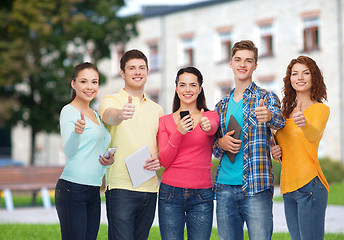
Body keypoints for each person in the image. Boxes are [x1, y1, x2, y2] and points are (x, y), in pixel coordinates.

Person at [212, 40, 285, 240]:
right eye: (238, 60)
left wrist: (269, 116)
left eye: (248, 60)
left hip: (256, 186)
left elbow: (281, 122)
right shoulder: (221, 105)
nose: (242, 64)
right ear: (231, 63)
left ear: (255, 65)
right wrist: (220, 143)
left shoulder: (267, 98)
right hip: (225, 187)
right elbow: (214, 149)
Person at [99, 49, 164, 240]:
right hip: (121, 189)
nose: (137, 72)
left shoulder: (157, 109)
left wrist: (159, 160)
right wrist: (121, 114)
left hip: (150, 189)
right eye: (132, 68)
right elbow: (108, 116)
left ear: (147, 71)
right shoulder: (110, 100)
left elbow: (160, 148)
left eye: (141, 68)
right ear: (122, 73)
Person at [271, 56, 329, 240]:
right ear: (290, 79)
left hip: (310, 185)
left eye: (306, 73)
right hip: (288, 188)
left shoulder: (320, 109)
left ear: (314, 77)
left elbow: (313, 135)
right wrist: (276, 151)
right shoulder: (285, 112)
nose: (300, 77)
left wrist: (304, 123)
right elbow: (289, 148)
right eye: (295, 73)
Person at [157, 67, 219, 240]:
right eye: (183, 85)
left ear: (200, 89)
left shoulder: (211, 116)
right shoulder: (165, 121)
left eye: (193, 85)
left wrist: (206, 125)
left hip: (202, 194)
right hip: (170, 193)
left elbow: (212, 127)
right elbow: (164, 160)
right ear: (176, 89)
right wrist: (179, 132)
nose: (188, 90)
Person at [55, 62, 115, 240]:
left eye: (94, 82)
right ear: (73, 84)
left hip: (94, 190)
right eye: (84, 81)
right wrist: (76, 133)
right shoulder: (68, 111)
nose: (90, 87)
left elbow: (95, 149)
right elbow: (70, 151)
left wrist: (108, 160)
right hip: (72, 189)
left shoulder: (95, 114)